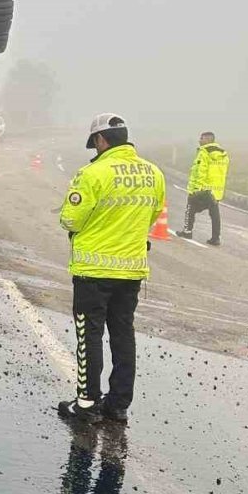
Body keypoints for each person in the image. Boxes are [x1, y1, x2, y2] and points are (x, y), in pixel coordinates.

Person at [57, 112, 165, 425]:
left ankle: (87, 404)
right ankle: (117, 406)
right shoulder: (153, 173)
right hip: (131, 271)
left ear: (101, 140)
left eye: (95, 143)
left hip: (93, 270)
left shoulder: (92, 173)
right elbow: (153, 214)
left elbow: (71, 219)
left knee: (88, 334)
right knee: (122, 334)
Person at [177, 131, 230, 246]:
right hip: (216, 190)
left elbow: (200, 172)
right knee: (214, 214)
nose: (199, 140)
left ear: (207, 139)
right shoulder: (223, 155)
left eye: (201, 138)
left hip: (203, 189)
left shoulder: (204, 153)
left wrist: (195, 190)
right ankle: (216, 238)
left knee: (190, 208)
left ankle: (187, 231)